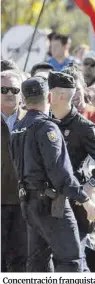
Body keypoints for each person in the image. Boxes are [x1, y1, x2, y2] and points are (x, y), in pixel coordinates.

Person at [10, 75, 95, 272]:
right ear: (49, 97)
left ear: (23, 100)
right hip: (51, 205)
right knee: (72, 260)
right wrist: (84, 199)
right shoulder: (47, 127)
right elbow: (59, 172)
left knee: (38, 261)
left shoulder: (18, 128)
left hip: (29, 203)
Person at [48, 71, 95, 272]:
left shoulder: (84, 127)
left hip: (76, 201)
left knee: (75, 260)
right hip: (47, 201)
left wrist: (89, 187)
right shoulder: (44, 123)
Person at [1, 70, 27, 272]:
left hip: (25, 202)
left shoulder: (32, 120)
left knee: (21, 258)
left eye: (14, 89)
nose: (9, 93)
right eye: (4, 89)